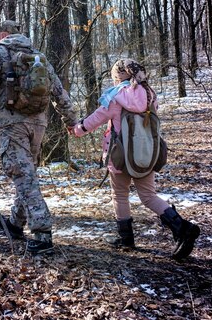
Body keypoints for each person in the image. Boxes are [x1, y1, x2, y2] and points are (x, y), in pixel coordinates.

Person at [0, 20, 79, 255]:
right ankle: (16, 223)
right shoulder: (38, 56)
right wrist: (70, 120)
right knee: (27, 172)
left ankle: (42, 231)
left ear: (4, 34)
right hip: (38, 122)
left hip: (11, 122)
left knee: (23, 174)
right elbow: (58, 90)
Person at [72, 59, 200, 260]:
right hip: (146, 153)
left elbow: (93, 121)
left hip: (120, 156)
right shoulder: (150, 95)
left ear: (118, 77)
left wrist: (77, 129)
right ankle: (182, 228)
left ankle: (126, 239)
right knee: (148, 196)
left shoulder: (114, 98)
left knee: (120, 195)